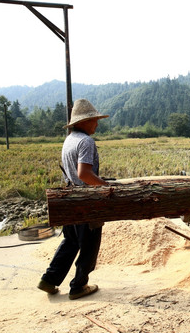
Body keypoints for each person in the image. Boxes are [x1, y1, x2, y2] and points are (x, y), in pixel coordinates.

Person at [38, 99, 110, 299]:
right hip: (86, 201)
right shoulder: (86, 141)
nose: (96, 124)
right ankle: (78, 286)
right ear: (84, 122)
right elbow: (84, 174)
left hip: (70, 198)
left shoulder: (69, 139)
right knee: (89, 245)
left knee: (71, 241)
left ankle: (49, 280)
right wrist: (106, 188)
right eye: (94, 120)